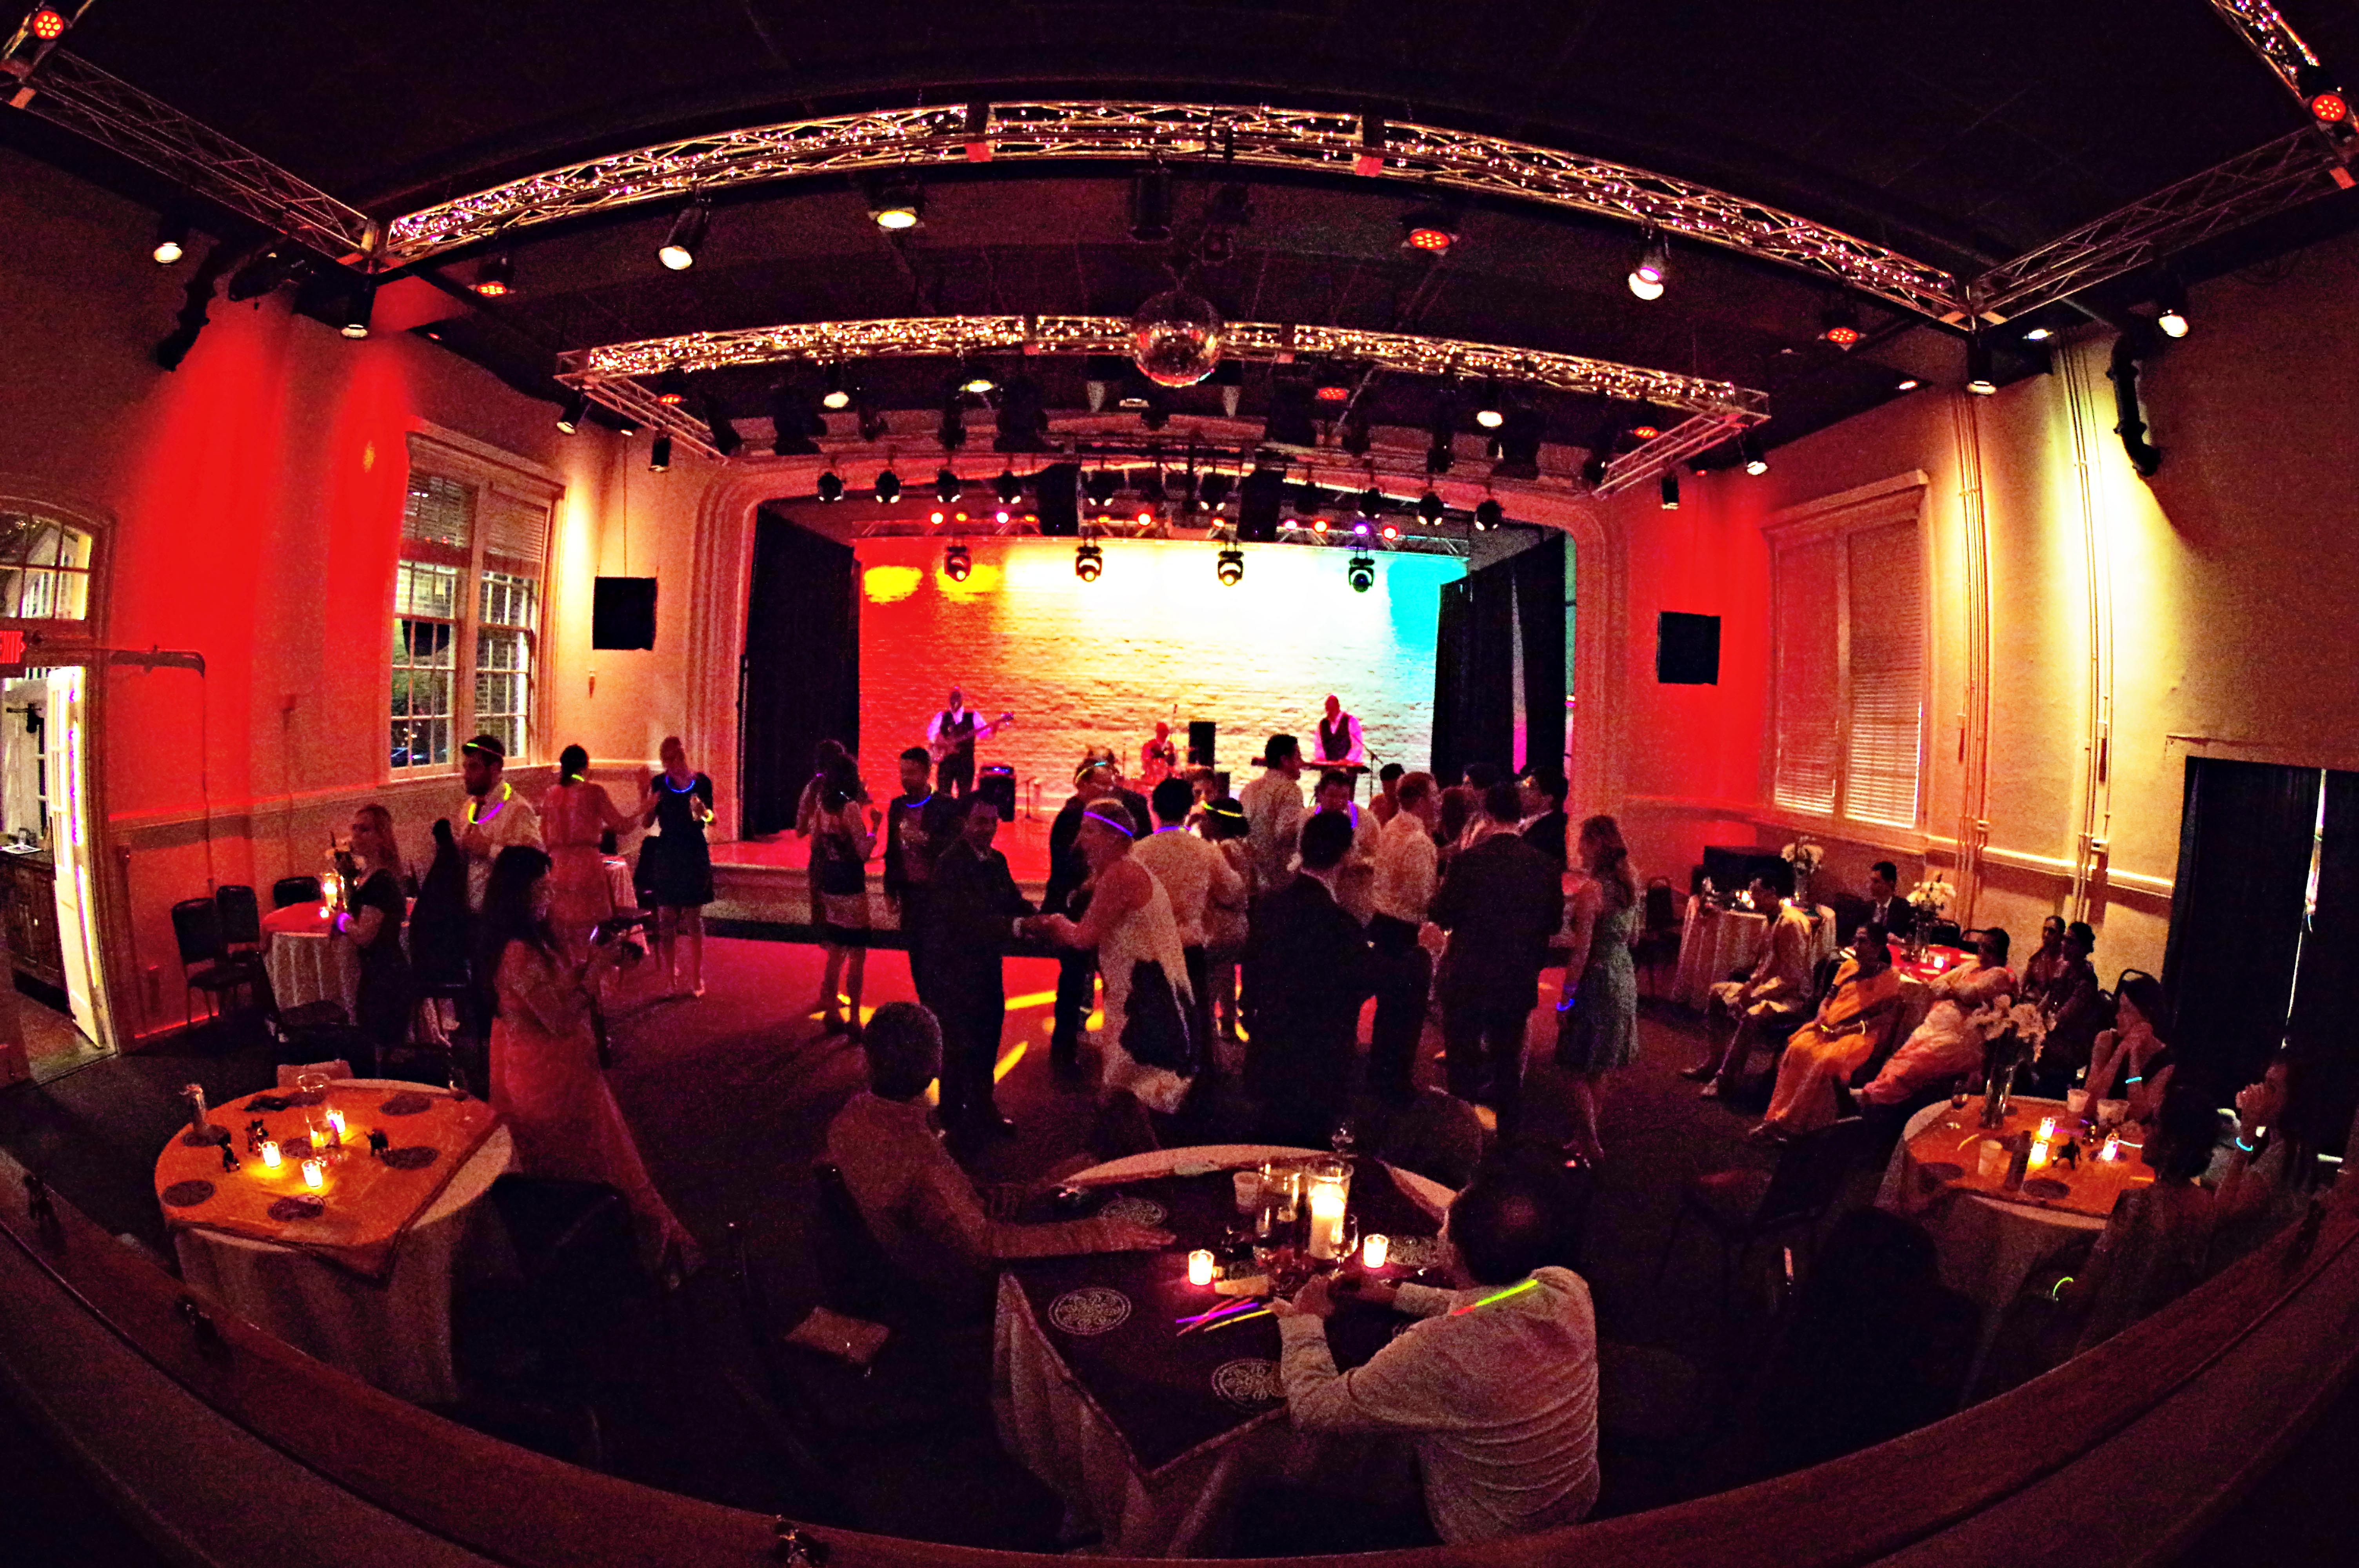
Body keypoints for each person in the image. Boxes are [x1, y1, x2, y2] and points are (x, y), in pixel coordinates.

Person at [1270, 1160, 1599, 1545]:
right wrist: (1393, 1295)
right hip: (1576, 1500)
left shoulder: (1440, 1349)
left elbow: (1314, 1409)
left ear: (1451, 1252)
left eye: (1445, 1225)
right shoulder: (1565, 1286)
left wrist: (1305, 1319)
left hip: (1492, 1538)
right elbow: (1498, 1301)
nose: (1440, 1229)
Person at [825, 1002, 1173, 1312]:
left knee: (1094, 1152)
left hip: (940, 1247)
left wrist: (982, 1192)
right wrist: (1101, 1235)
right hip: (971, 1283)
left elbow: (926, 1201)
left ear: (870, 1060)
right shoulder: (919, 1156)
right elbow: (989, 1245)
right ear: (936, 1066)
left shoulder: (849, 1119)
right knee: (1114, 1133)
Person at [480, 846, 695, 1270]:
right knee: (591, 1165)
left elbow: (557, 993)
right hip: (546, 1079)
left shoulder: (534, 939)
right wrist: (595, 972)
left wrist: (598, 960)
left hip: (565, 1068)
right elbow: (559, 1019)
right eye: (540, 890)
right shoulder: (517, 952)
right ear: (517, 895)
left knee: (601, 1160)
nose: (549, 897)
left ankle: (607, 1256)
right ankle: (618, 1258)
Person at [1028, 798, 1197, 1114]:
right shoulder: (1126, 869)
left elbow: (1083, 937)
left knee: (1129, 1094)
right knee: (1131, 1094)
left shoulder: (1121, 874)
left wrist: (1054, 922)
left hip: (1143, 994)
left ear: (1116, 836)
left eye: (1090, 832)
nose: (1081, 840)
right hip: (1144, 988)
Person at [1427, 783, 1563, 1135]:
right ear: (1520, 815)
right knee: (1507, 1062)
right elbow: (1553, 923)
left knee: (1463, 1062)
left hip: (1469, 973)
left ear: (1487, 815)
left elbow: (1442, 914)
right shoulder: (1545, 866)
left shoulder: (1467, 862)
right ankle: (1509, 1139)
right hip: (1517, 975)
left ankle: (1463, 1137)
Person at [1242, 810, 1374, 1146]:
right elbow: (1359, 985)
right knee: (1310, 1146)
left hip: (1272, 1040)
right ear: (1346, 856)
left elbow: (1253, 967)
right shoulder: (1340, 923)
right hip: (1319, 1054)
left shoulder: (1269, 905)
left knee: (1268, 1142)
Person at [2059, 1084, 2222, 1354]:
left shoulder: (2136, 1205)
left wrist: (2057, 1287)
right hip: (2164, 1342)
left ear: (2171, 1143)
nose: (2145, 1130)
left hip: (2106, 1343)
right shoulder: (2208, 1206)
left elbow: (2080, 1295)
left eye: (2155, 1124)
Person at [919, 796, 1034, 1138]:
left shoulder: (996, 861)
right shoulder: (950, 864)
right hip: (954, 971)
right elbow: (967, 921)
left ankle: (982, 1108)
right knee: (958, 1043)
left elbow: (1012, 900)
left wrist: (1041, 918)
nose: (989, 829)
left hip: (986, 967)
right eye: (981, 822)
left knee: (987, 1038)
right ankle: (952, 1114)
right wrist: (1022, 926)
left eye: (993, 822)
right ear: (964, 823)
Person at [1043, 760, 1149, 1074]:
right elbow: (1062, 867)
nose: (1108, 789)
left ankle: (1120, 1049)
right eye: (1101, 784)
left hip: (1108, 909)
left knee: (1115, 979)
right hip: (1077, 907)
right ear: (1082, 785)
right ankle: (1065, 1049)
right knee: (1073, 979)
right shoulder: (1069, 818)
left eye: (1110, 783)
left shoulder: (1120, 814)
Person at [1751, 926, 1904, 1140]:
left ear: (1878, 947)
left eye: (1863, 942)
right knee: (1797, 1050)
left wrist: (1846, 1030)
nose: (1856, 946)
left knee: (1826, 1062)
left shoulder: (1890, 977)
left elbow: (1881, 1019)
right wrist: (1822, 1015)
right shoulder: (1848, 967)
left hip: (1860, 1034)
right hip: (1829, 1028)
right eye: (1856, 940)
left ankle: (1803, 1127)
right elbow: (1828, 999)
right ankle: (1778, 1117)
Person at [1131, 775, 1243, 1058]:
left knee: (1152, 1025)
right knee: (1194, 1024)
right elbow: (1232, 892)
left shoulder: (1138, 852)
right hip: (1189, 948)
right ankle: (1196, 1080)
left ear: (1154, 808)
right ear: (1188, 809)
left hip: (1149, 948)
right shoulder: (1205, 852)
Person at [1856, 927, 2017, 1113]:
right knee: (1903, 1055)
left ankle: (1875, 1095)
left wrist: (1952, 989)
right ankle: (1873, 1092)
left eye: (1989, 949)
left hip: (1961, 1036)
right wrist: (1956, 991)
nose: (1982, 953)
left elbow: (1971, 993)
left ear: (2000, 954)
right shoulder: (1972, 966)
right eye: (1981, 947)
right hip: (1938, 1025)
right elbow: (1937, 985)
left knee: (1915, 1063)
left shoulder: (2000, 974)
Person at [1554, 815, 1639, 1165]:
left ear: (1593, 844)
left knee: (1573, 1065)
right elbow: (1634, 938)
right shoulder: (1631, 883)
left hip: (1597, 978)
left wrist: (1566, 999)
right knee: (1600, 1064)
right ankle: (1583, 1137)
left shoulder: (1592, 890)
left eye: (1582, 840)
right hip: (1624, 975)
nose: (1577, 847)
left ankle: (1590, 1144)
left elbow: (1582, 951)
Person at [1688, 864, 1817, 1094]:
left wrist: (1755, 995)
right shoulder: (1769, 920)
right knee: (1717, 993)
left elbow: (1792, 977)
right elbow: (1764, 966)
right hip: (1769, 988)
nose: (1752, 897)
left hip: (1792, 997)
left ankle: (1725, 1078)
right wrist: (1750, 985)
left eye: (1756, 892)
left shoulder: (1792, 923)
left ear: (1772, 892)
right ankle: (1714, 1062)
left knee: (1753, 1014)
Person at [1368, 771, 1441, 1105]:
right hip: (1405, 931)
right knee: (1408, 1012)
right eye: (1435, 794)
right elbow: (1422, 898)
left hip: (1382, 925)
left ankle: (1379, 1074)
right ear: (1421, 799)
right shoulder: (1418, 842)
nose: (1439, 801)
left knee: (1387, 1008)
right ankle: (1396, 1085)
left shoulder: (1391, 827)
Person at [331, 804, 411, 1076]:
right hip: (377, 972)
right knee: (376, 1046)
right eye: (354, 828)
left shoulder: (382, 881)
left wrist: (341, 921)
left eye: (365, 829)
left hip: (386, 975)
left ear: (381, 836)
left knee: (382, 1052)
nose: (356, 835)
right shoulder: (370, 876)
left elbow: (365, 936)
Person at [882, 746, 959, 1012]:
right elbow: (892, 851)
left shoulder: (946, 806)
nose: (906, 779)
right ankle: (928, 1007)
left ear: (927, 772)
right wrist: (890, 889)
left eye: (912, 772)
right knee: (916, 956)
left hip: (938, 896)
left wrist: (924, 840)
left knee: (938, 957)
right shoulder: (897, 806)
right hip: (910, 895)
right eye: (902, 772)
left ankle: (941, 1010)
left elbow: (954, 848)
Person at [540, 744, 635, 956]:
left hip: (557, 866)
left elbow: (544, 835)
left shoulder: (551, 795)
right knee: (590, 933)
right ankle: (589, 973)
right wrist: (645, 807)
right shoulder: (594, 792)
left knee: (562, 935)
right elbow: (622, 826)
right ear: (585, 767)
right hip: (586, 865)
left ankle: (569, 973)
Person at [641, 735, 716, 998]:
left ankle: (696, 975)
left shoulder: (702, 782)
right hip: (668, 852)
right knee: (666, 918)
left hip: (693, 851)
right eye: (666, 760)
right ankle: (670, 976)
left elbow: (711, 820)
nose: (670, 764)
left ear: (683, 756)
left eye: (674, 758)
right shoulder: (659, 784)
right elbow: (647, 822)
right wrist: (644, 796)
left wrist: (703, 810)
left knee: (693, 918)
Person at [809, 750, 876, 1036]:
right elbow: (862, 852)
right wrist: (875, 828)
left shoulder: (822, 808)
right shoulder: (849, 808)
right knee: (857, 953)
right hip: (850, 883)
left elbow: (816, 845)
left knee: (836, 950)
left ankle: (832, 1011)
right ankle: (855, 1018)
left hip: (830, 882)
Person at [458, 733, 543, 910]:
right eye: (466, 768)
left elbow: (535, 864)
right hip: (470, 913)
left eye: (474, 768)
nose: (466, 776)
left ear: (495, 768)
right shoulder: (469, 807)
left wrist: (490, 850)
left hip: (504, 912)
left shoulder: (518, 810)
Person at [1199, 798, 1254, 1049]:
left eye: (1206, 818)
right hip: (1237, 921)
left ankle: (1208, 1033)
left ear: (1218, 822)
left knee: (1210, 978)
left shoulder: (1224, 851)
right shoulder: (1243, 846)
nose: (1202, 823)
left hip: (1221, 921)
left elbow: (1223, 889)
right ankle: (1229, 1026)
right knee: (1226, 975)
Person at [2083, 973, 2174, 1125]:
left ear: (2147, 1016)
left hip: (2130, 1135)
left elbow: (2137, 1116)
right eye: (2119, 1008)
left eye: (2126, 1010)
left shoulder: (2165, 1060)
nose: (2118, 1016)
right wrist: (2120, 1052)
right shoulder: (2106, 1040)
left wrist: (2134, 1058)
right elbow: (2089, 1105)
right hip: (2095, 1127)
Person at [2037, 921, 2106, 1089]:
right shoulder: (2066, 970)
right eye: (2065, 940)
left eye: (2071, 942)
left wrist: (2041, 1028)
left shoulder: (2087, 981)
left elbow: (2063, 1018)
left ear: (2083, 949)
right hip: (2058, 1035)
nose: (2064, 945)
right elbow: (2048, 1000)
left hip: (2072, 1043)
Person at [1308, 768, 1380, 922]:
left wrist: (1360, 863)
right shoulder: (1307, 818)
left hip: (1355, 897)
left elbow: (1379, 857)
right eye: (1332, 796)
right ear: (1320, 794)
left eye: (1344, 797)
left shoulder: (1366, 820)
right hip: (1319, 894)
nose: (1338, 802)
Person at [1239, 733, 1307, 897]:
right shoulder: (1290, 790)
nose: (1302, 763)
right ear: (1285, 760)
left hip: (1249, 872)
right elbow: (1284, 832)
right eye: (1298, 757)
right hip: (1277, 875)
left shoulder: (1249, 788)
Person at [796, 739, 853, 930]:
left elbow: (800, 829)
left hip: (820, 857)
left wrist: (816, 823)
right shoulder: (847, 791)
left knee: (823, 920)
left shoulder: (812, 788)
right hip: (844, 859)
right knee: (845, 921)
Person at [925, 686, 981, 798]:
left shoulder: (973, 717)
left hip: (966, 763)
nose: (954, 700)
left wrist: (995, 726)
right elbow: (931, 735)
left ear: (962, 699)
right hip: (946, 762)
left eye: (957, 697)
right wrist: (943, 743)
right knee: (943, 795)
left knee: (965, 796)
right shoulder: (942, 716)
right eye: (953, 697)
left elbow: (986, 734)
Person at [1518, 768, 1571, 872]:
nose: (1522, 791)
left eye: (1531, 788)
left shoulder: (1556, 829)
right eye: (1524, 785)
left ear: (1548, 798)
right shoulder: (1516, 818)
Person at [1860, 860, 1917, 944]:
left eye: (1876, 882)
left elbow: (1913, 941)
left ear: (1891, 884)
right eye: (1871, 881)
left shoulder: (1905, 908)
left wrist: (1900, 941)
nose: (1870, 886)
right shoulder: (1867, 907)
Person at [2019, 915, 2070, 1002]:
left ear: (2060, 935)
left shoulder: (2065, 961)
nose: (2046, 935)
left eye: (2052, 931)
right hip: (2030, 1001)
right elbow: (2024, 982)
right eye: (2045, 930)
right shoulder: (2037, 955)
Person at [1313, 693, 1365, 770]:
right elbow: (1319, 746)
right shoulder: (1322, 724)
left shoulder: (1351, 721)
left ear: (1338, 707)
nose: (1330, 712)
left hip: (1348, 768)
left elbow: (1358, 746)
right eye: (1328, 709)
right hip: (1328, 769)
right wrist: (1321, 760)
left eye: (1332, 708)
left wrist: (1347, 760)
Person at [1139, 720, 1179, 788]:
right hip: (1152, 779)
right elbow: (1145, 762)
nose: (1165, 733)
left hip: (1167, 779)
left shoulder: (1171, 746)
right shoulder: (1149, 746)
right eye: (1162, 731)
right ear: (1158, 732)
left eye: (1166, 731)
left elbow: (1175, 764)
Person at [1370, 761, 1406, 827]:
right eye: (1386, 789)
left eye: (1393, 789)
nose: (1390, 794)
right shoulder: (1377, 802)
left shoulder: (1410, 806)